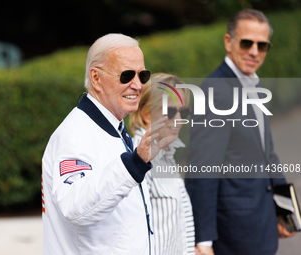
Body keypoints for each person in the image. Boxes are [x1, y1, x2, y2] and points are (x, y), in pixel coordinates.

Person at [41, 33, 173, 255]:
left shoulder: (114, 129)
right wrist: (135, 163)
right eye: (127, 75)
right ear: (96, 78)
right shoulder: (75, 134)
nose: (138, 85)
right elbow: (75, 207)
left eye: (143, 75)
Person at [185, 9, 296, 255]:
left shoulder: (255, 83)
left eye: (262, 45)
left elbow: (268, 153)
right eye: (247, 43)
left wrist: (286, 211)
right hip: (233, 234)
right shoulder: (215, 92)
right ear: (228, 42)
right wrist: (202, 240)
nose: (254, 52)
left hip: (262, 223)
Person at [130, 73, 195, 255]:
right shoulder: (139, 159)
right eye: (171, 112)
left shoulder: (166, 153)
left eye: (183, 112)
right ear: (146, 114)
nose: (178, 120)